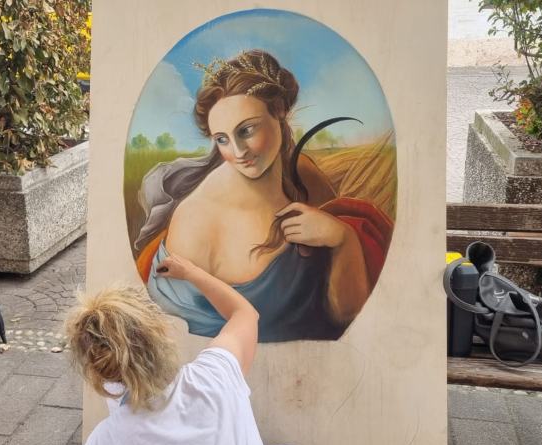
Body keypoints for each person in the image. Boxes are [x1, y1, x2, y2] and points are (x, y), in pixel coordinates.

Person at [133, 49, 394, 343]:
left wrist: (342, 239)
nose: (238, 152)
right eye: (222, 139)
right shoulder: (196, 219)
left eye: (247, 130)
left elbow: (346, 315)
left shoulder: (304, 175)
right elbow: (180, 337)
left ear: (279, 110)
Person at [66, 253, 319, 445]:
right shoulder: (217, 374)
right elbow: (245, 313)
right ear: (163, 332)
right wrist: (192, 272)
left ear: (99, 371)